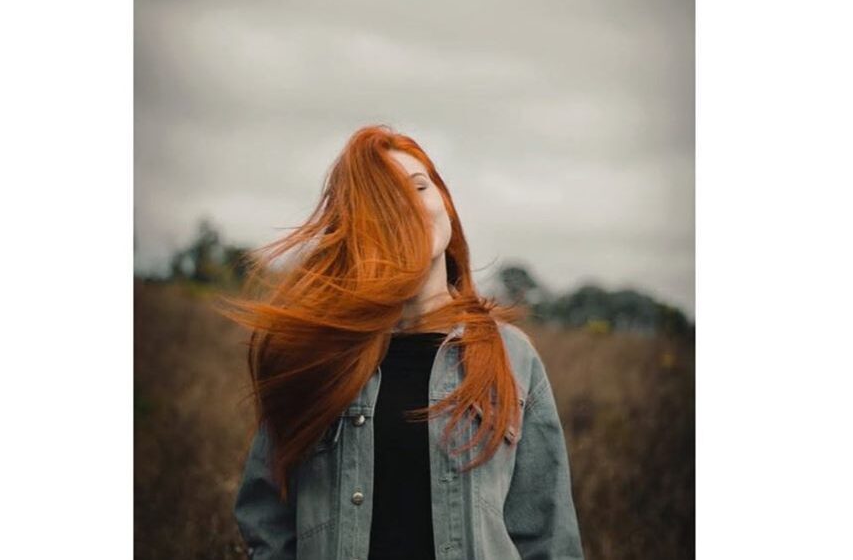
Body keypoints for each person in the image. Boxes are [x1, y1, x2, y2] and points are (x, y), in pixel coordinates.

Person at [216, 124, 585, 559]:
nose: (409, 206)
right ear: (358, 230)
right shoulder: (317, 357)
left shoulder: (512, 356)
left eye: (419, 186)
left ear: (445, 203)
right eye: (385, 200)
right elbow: (267, 522)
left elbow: (548, 536)